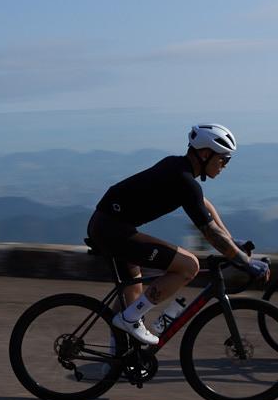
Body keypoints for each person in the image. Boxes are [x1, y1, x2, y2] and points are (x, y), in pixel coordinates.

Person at [88, 124, 265, 347]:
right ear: (204, 153)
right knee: (189, 266)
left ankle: (118, 357)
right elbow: (209, 232)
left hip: (107, 226)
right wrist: (245, 261)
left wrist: (231, 243)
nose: (224, 166)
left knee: (132, 293)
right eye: (223, 159)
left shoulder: (178, 168)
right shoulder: (184, 180)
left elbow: (204, 206)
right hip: (113, 230)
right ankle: (130, 320)